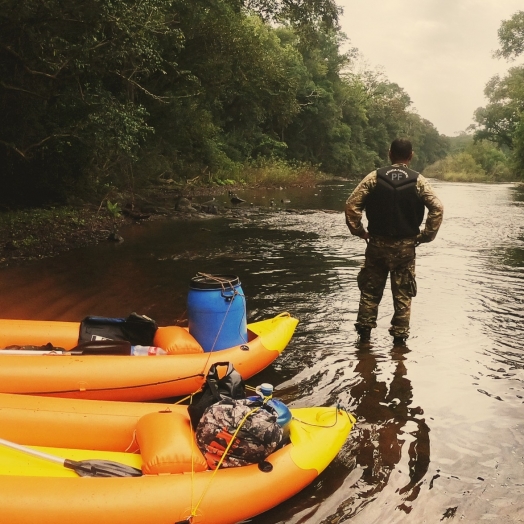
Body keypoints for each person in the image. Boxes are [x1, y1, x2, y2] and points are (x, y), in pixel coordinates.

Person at [345, 138, 444, 345]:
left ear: (390, 153)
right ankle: (399, 343)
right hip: (405, 248)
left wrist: (360, 232)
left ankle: (364, 339)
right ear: (411, 155)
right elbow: (437, 208)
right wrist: (426, 235)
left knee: (370, 292)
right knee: (403, 295)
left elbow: (351, 205)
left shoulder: (374, 177)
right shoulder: (418, 181)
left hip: (377, 245)